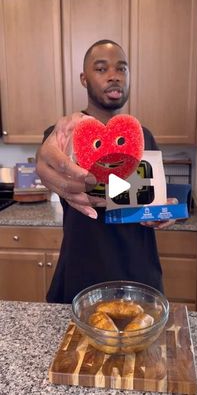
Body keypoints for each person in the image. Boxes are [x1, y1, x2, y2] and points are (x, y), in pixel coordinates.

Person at [36, 39, 175, 303]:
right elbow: (46, 161)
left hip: (141, 277)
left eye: (121, 69)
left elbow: (152, 200)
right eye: (101, 69)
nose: (114, 76)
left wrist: (164, 211)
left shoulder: (145, 137)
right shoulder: (63, 136)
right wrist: (42, 162)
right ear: (84, 78)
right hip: (82, 275)